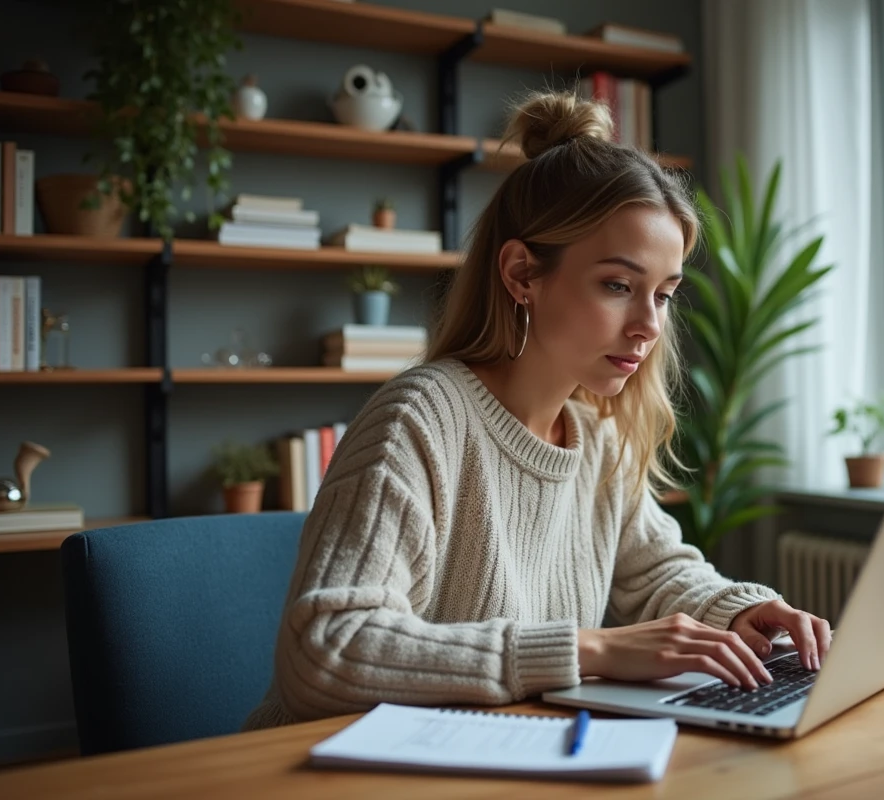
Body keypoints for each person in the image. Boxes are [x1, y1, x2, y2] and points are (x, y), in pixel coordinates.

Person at [243, 91, 831, 731]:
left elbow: (657, 571)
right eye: (618, 286)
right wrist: (591, 649)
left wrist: (737, 611)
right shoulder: (419, 421)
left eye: (663, 295)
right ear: (523, 273)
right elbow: (325, 653)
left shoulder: (593, 437)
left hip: (491, 757)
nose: (648, 326)